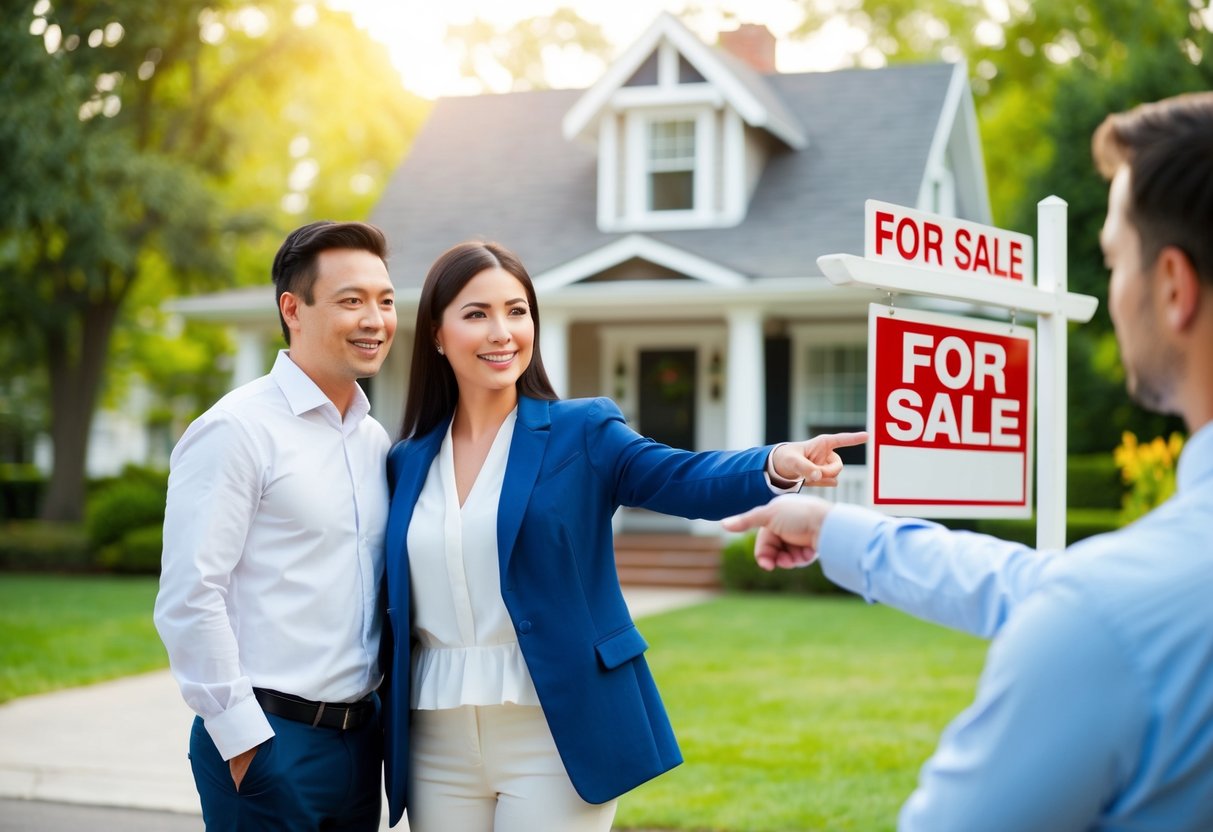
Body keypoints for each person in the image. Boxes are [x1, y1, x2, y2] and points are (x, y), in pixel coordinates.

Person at [722, 91, 1213, 831]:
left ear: (1173, 286)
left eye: (1113, 260)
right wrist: (836, 527)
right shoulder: (1125, 601)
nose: (1111, 292)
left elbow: (1086, 610)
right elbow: (1046, 586)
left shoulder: (1102, 621)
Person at [379, 240, 866, 830]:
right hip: (436, 740)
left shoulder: (580, 432)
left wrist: (779, 462)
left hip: (556, 735)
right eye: (477, 313)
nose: (502, 331)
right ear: (436, 332)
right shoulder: (405, 461)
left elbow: (683, 478)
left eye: (517, 310)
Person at [154, 220, 397, 830]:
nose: (375, 319)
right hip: (269, 740)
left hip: (360, 743)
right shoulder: (236, 430)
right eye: (351, 301)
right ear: (293, 308)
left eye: (385, 301)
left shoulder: (374, 441)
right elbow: (190, 596)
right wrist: (241, 740)